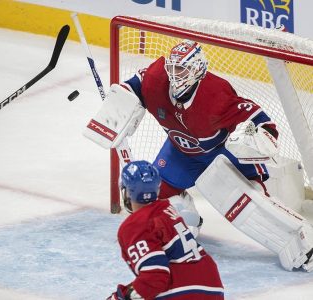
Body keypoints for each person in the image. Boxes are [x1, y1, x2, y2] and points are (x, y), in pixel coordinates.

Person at [84, 39, 313, 272]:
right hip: (180, 153)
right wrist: (119, 104)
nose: (174, 75)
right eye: (171, 68)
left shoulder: (216, 94)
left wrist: (260, 136)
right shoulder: (157, 80)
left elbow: (261, 120)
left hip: (221, 155)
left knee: (251, 205)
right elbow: (135, 86)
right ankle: (187, 223)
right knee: (151, 198)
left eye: (181, 69)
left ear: (197, 70)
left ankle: (304, 242)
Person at [107, 160, 224, 300]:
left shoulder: (135, 224)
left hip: (183, 291)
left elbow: (155, 276)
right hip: (213, 286)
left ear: (127, 192)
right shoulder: (168, 210)